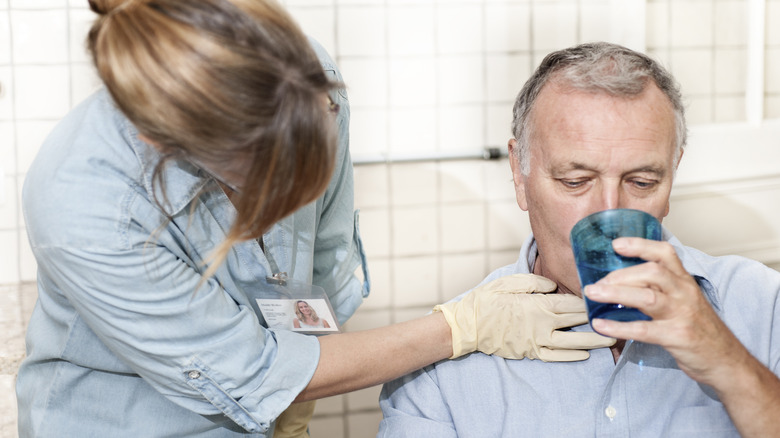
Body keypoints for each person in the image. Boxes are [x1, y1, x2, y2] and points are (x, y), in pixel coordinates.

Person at [15, 2, 614, 437]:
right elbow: (247, 374)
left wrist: (297, 392)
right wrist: (461, 327)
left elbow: (318, 262)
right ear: (170, 143)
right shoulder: (86, 204)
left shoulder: (309, 82)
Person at [378, 42, 780, 437]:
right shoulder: (437, 369)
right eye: (576, 181)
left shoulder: (762, 304)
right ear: (520, 174)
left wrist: (731, 366)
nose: (608, 213)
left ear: (672, 173)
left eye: (642, 182)